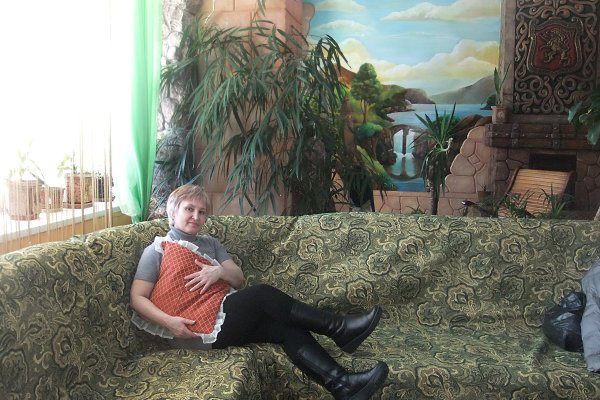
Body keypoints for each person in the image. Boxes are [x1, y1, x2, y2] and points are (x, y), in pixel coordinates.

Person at [130, 184, 389, 399]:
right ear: (172, 211)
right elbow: (137, 297)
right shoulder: (157, 250)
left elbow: (238, 278)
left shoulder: (211, 244)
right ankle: (338, 328)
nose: (196, 216)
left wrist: (218, 272)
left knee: (286, 329)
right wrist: (170, 322)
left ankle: (342, 384)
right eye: (189, 209)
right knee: (262, 294)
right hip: (193, 330)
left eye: (202, 212)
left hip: (224, 316)